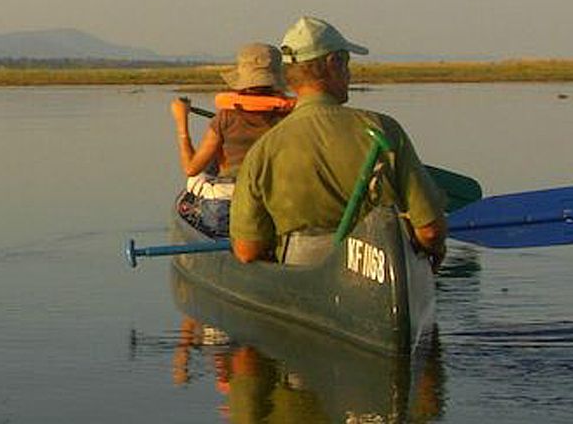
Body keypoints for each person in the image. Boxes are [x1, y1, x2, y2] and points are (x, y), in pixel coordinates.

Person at [229, 17, 448, 265]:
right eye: (346, 63)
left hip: (300, 275)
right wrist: (433, 251)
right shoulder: (383, 129)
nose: (349, 74)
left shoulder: (262, 150)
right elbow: (430, 231)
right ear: (333, 63)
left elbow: (247, 250)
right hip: (382, 268)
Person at [170, 43, 293, 236]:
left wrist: (181, 122)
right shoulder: (290, 118)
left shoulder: (225, 118)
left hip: (225, 209)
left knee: (199, 176)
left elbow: (191, 167)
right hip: (275, 207)